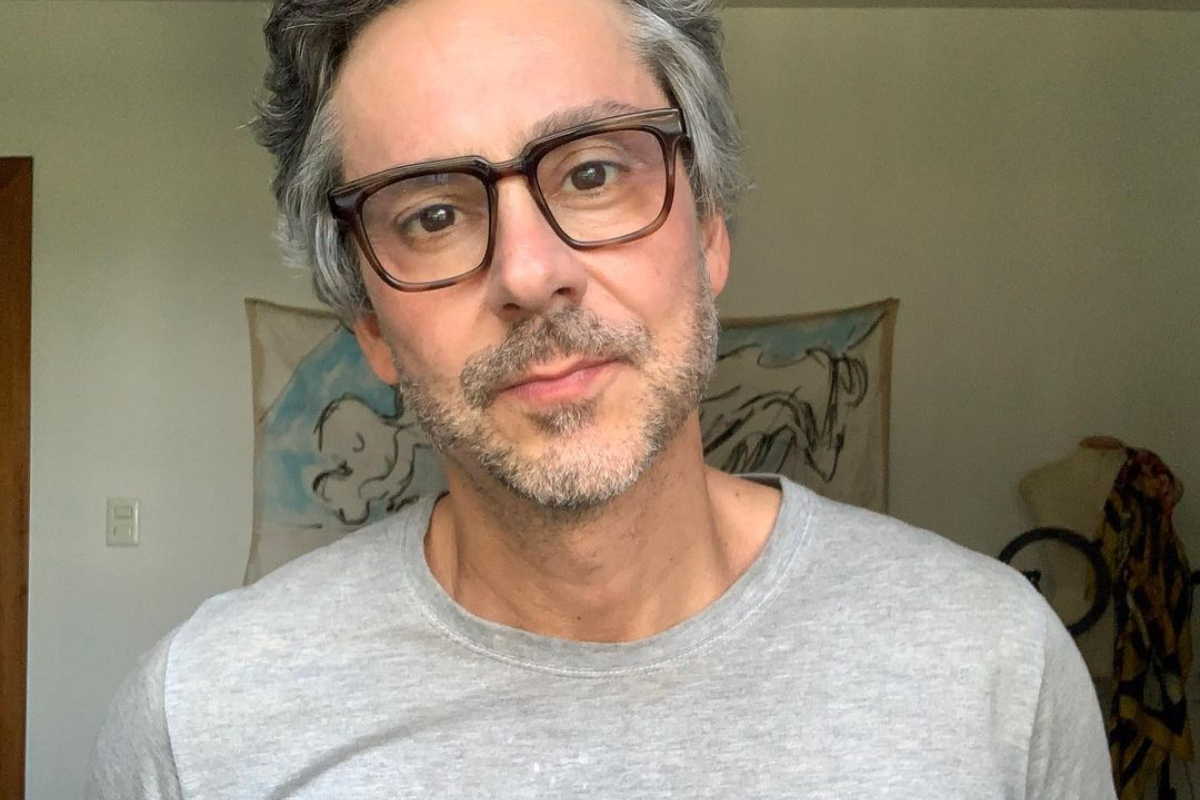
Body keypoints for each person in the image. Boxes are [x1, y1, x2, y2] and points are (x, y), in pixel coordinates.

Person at [86, 0, 1117, 797]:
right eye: (433, 215)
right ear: (371, 328)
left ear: (709, 231)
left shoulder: (995, 666)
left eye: (590, 173)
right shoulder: (199, 725)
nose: (530, 273)